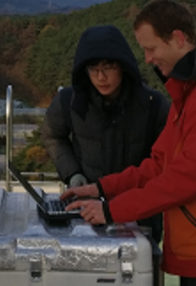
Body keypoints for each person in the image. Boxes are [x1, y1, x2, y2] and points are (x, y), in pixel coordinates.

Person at [64, 0, 196, 286]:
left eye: (151, 48)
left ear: (178, 39)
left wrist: (110, 211)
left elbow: (188, 177)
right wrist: (100, 189)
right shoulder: (190, 92)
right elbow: (160, 164)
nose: (147, 59)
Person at [41, 24, 170, 240]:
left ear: (123, 66)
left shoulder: (153, 105)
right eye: (93, 69)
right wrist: (73, 173)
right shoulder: (69, 102)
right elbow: (52, 135)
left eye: (108, 67)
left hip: (140, 218)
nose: (101, 77)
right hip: (85, 214)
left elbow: (164, 163)